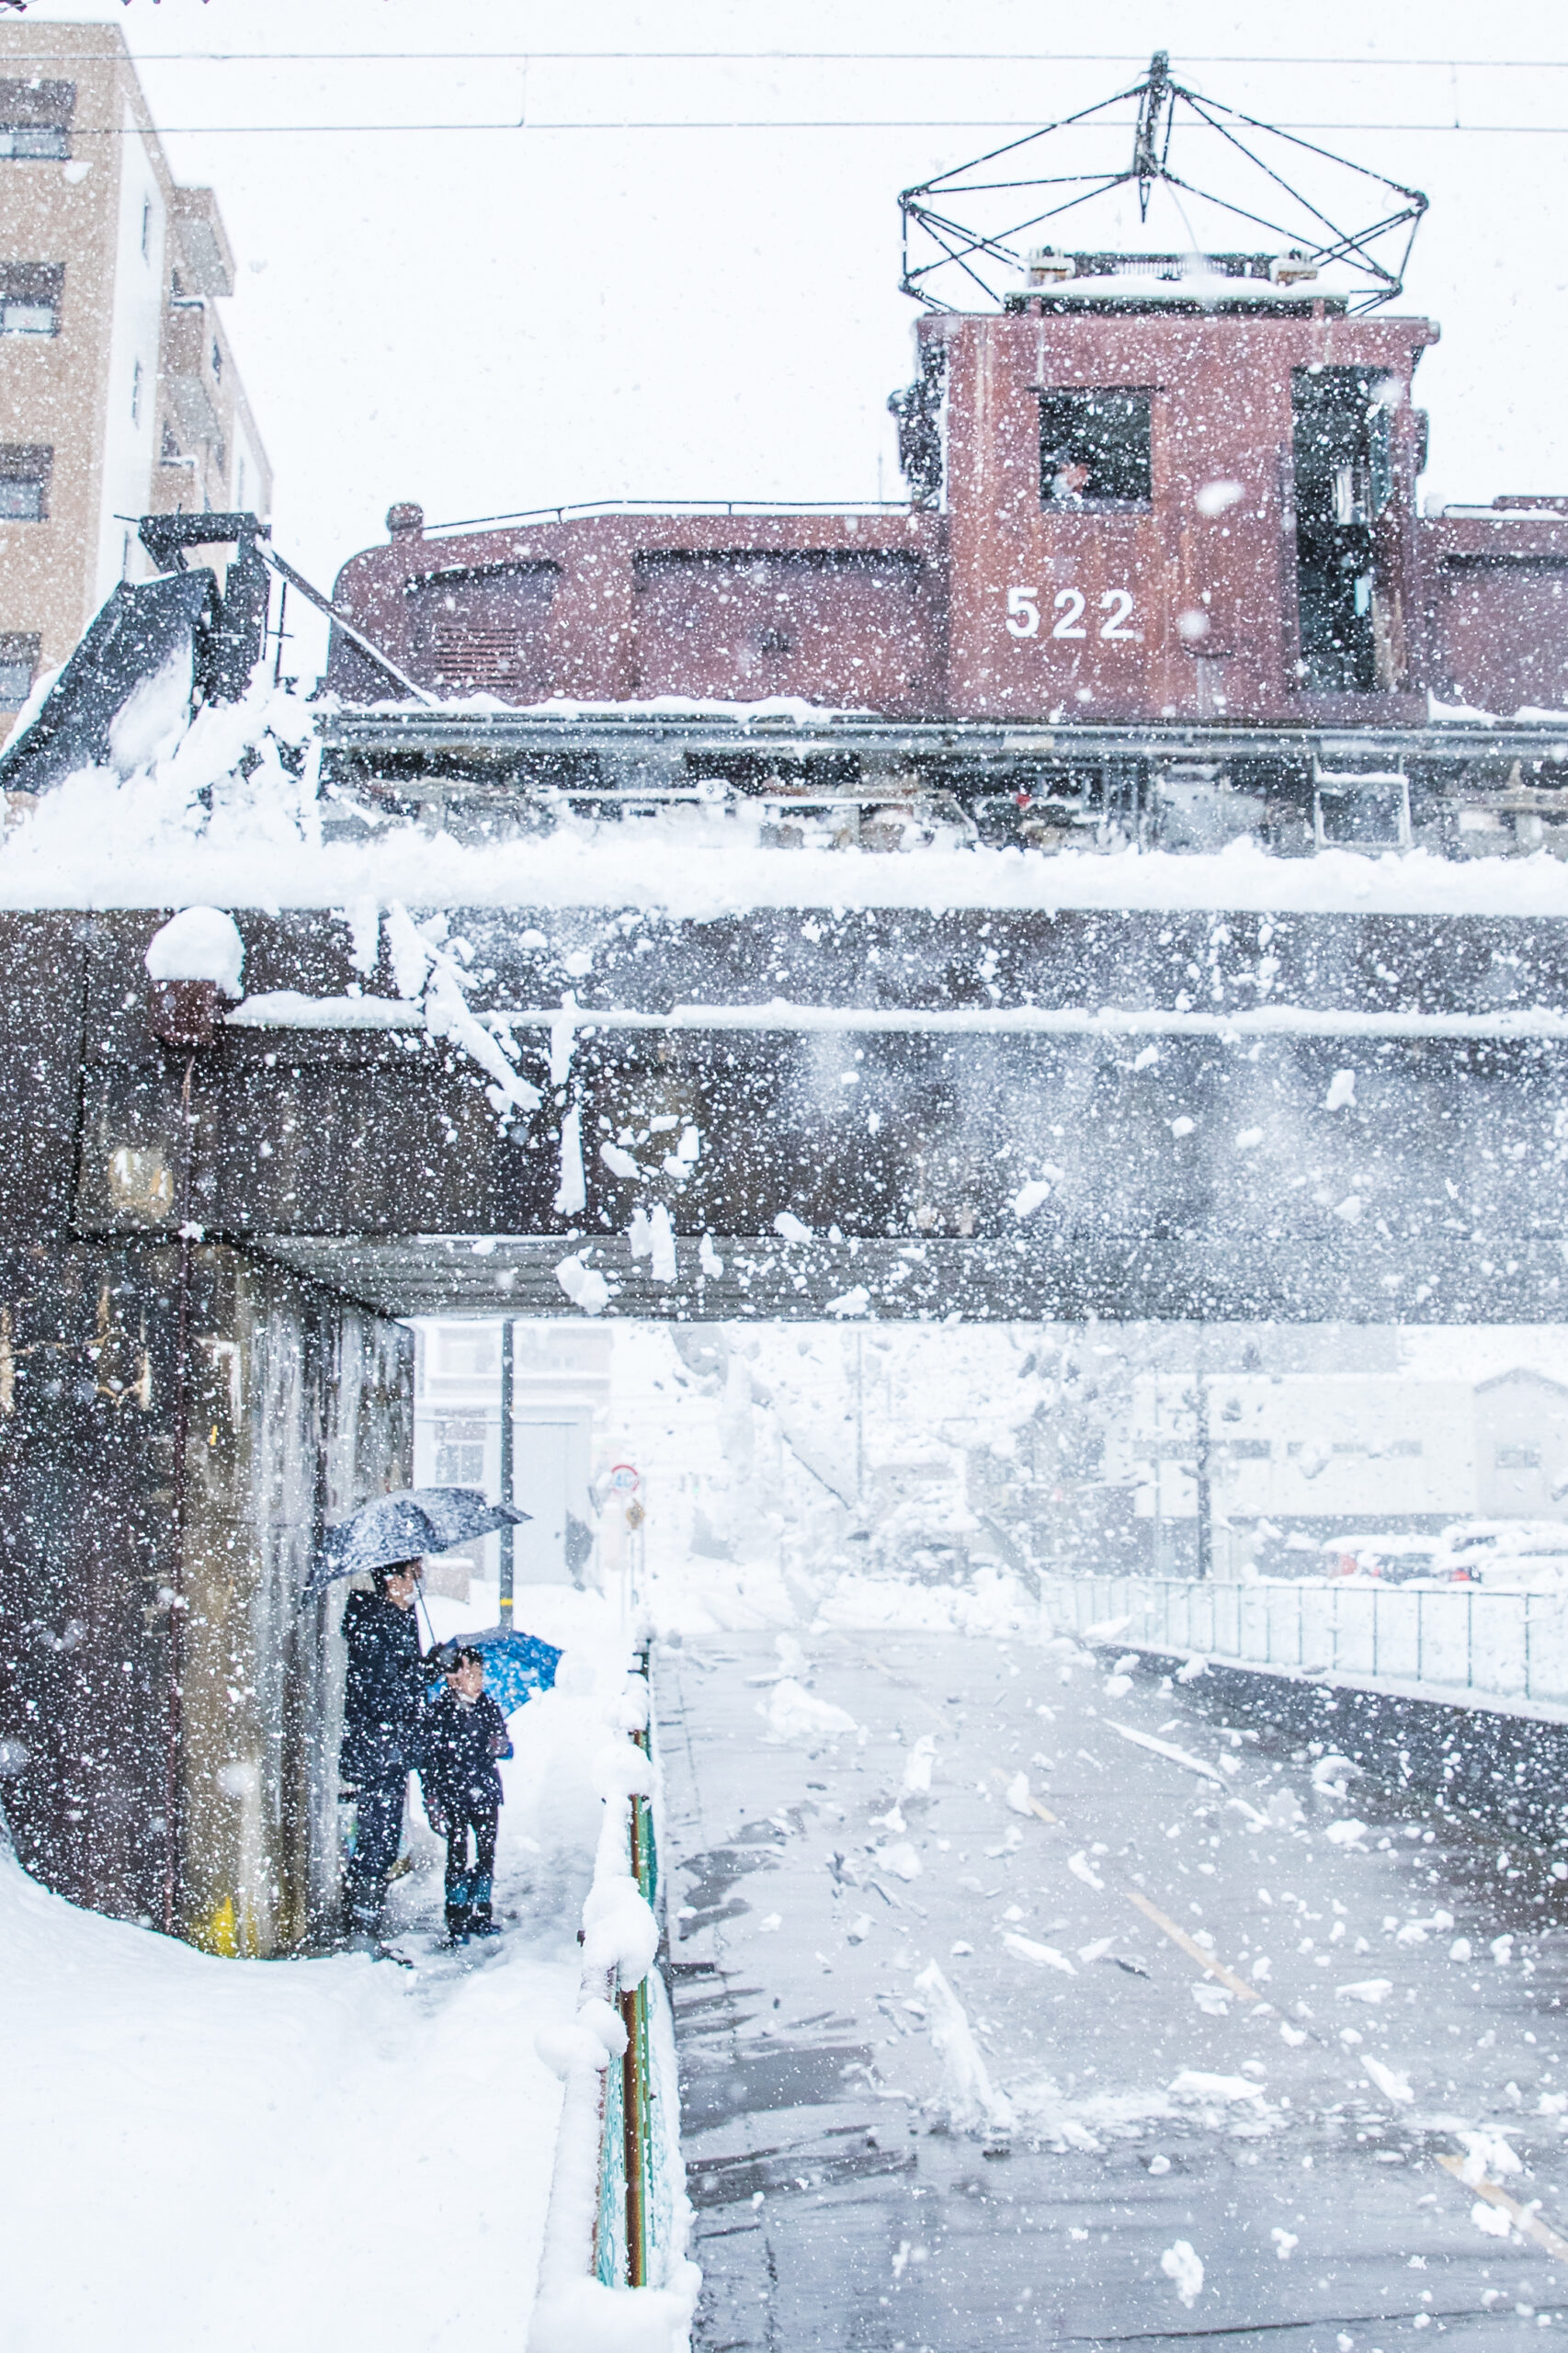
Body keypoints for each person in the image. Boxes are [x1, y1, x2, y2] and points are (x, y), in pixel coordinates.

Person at [340, 1557, 442, 1946]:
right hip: (377, 1748)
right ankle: (361, 1932)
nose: (417, 1582)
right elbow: (384, 1692)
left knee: (383, 1838)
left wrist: (430, 1666)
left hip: (389, 1748)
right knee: (376, 1837)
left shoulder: (399, 1619)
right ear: (391, 1580)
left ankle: (368, 1927)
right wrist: (427, 1671)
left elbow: (401, 1681)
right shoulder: (375, 1622)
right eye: (412, 1574)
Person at [421, 1645, 514, 1946]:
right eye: (472, 1675)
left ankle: (481, 1910)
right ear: (454, 1678)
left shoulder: (488, 1706)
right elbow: (430, 1760)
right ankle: (457, 1915)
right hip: (454, 1793)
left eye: (480, 1675)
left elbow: (506, 1746)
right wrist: (432, 1798)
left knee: (486, 1851)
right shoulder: (440, 1711)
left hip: (485, 1792)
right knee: (457, 1853)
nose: (478, 1682)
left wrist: (500, 1744)